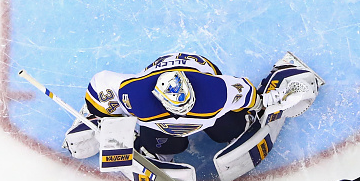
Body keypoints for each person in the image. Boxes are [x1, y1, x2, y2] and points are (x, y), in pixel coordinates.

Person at [63, 52, 266, 161]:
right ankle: (158, 151)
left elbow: (246, 91)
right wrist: (104, 119)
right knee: (167, 145)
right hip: (155, 76)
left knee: (229, 130)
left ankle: (240, 124)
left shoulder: (216, 92)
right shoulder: (135, 96)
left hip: (199, 67)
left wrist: (260, 105)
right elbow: (100, 85)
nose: (185, 114)